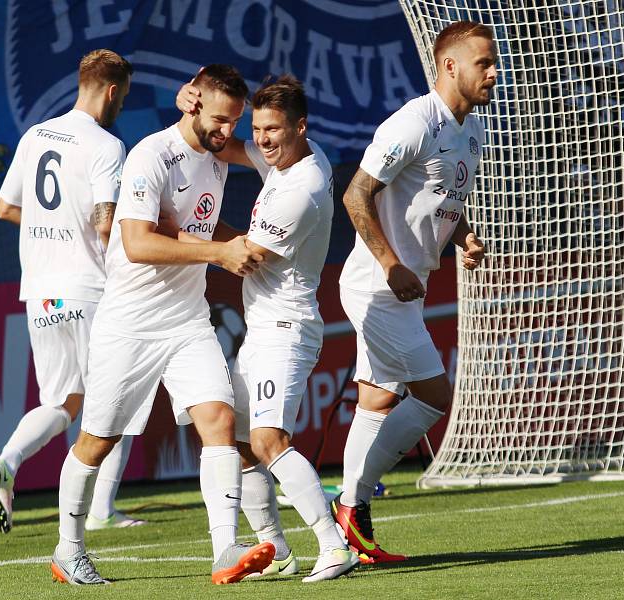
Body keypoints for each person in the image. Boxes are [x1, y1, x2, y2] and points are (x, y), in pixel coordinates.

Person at [49, 64, 274, 586]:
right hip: (129, 324)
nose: (227, 133)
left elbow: (204, 217)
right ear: (192, 104)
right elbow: (137, 243)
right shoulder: (150, 156)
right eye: (221, 121)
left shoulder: (216, 155)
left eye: (234, 123)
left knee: (218, 419)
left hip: (188, 320)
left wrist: (242, 241)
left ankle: (225, 550)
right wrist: (221, 253)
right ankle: (68, 549)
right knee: (96, 440)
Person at [176, 75, 358, 582]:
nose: (261, 140)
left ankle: (334, 545)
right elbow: (226, 145)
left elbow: (246, 259)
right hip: (261, 329)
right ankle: (275, 549)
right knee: (234, 441)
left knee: (268, 440)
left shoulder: (303, 189)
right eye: (256, 128)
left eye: (273, 129)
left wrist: (182, 225)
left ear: (300, 127)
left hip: (286, 327)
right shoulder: (289, 154)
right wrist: (191, 112)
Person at [333, 20, 496, 563]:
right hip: (378, 286)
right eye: (484, 64)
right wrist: (390, 263)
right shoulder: (413, 121)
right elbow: (357, 194)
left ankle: (349, 526)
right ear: (450, 66)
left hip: (408, 285)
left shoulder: (471, 131)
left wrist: (464, 238)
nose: (494, 74)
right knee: (435, 398)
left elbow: (441, 200)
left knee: (378, 399)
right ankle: (351, 505)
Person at [0, 49, 145, 534]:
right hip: (91, 290)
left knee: (62, 401)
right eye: (124, 96)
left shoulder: (36, 135)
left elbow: (4, 207)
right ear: (113, 91)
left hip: (41, 289)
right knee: (123, 396)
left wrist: (52, 227)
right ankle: (99, 509)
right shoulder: (106, 144)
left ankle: (7, 463)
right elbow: (104, 227)